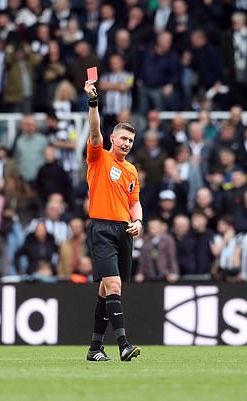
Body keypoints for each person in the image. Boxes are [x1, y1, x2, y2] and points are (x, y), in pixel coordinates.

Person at [83, 77, 142, 362]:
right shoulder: (98, 157)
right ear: (112, 139)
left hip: (123, 231)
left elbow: (135, 203)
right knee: (114, 285)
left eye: (131, 140)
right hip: (101, 228)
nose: (127, 143)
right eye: (123, 139)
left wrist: (138, 222)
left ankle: (95, 349)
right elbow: (94, 130)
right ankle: (124, 345)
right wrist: (93, 102)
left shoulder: (131, 170)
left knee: (107, 290)